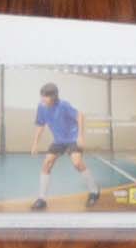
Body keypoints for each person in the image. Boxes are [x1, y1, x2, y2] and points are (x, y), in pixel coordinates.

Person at [32, 81, 93, 210]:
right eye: (42, 96)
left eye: (46, 96)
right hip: (58, 140)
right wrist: (35, 143)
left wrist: (80, 136)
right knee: (47, 163)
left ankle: (94, 191)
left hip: (72, 138)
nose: (43, 99)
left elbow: (80, 116)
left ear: (53, 97)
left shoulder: (63, 105)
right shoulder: (41, 107)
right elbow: (40, 125)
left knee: (77, 163)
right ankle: (42, 199)